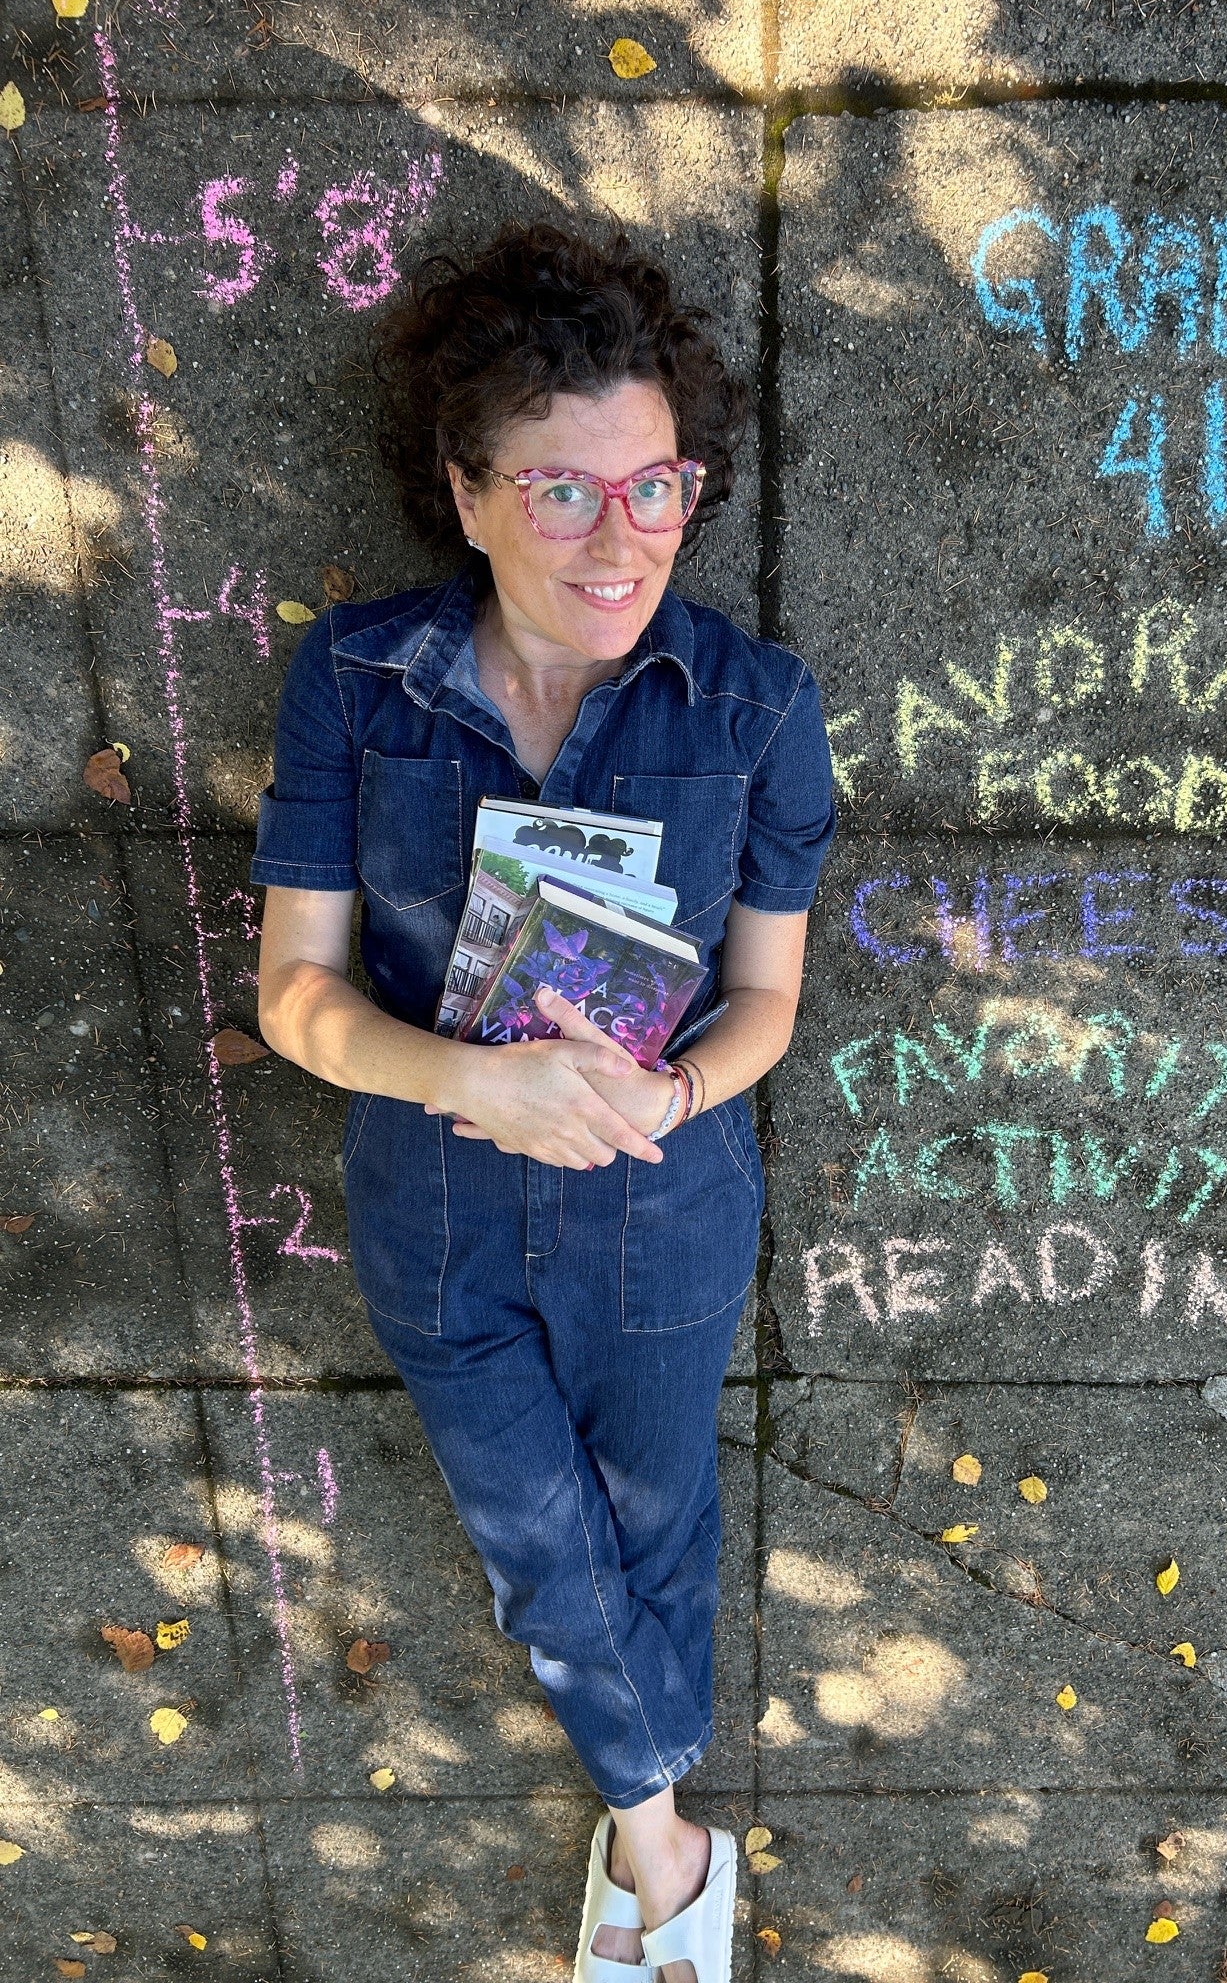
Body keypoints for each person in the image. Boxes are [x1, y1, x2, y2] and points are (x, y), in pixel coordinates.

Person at [251, 222, 835, 1983]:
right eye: (563, 493)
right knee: (534, 1546)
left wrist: (665, 1095)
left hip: (662, 1198)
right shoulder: (361, 681)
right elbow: (294, 997)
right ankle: (670, 1852)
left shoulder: (755, 706)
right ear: (469, 492)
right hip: (436, 1198)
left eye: (656, 488)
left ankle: (654, 1870)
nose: (622, 536)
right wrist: (472, 1079)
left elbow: (770, 1003)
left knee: (655, 1527)